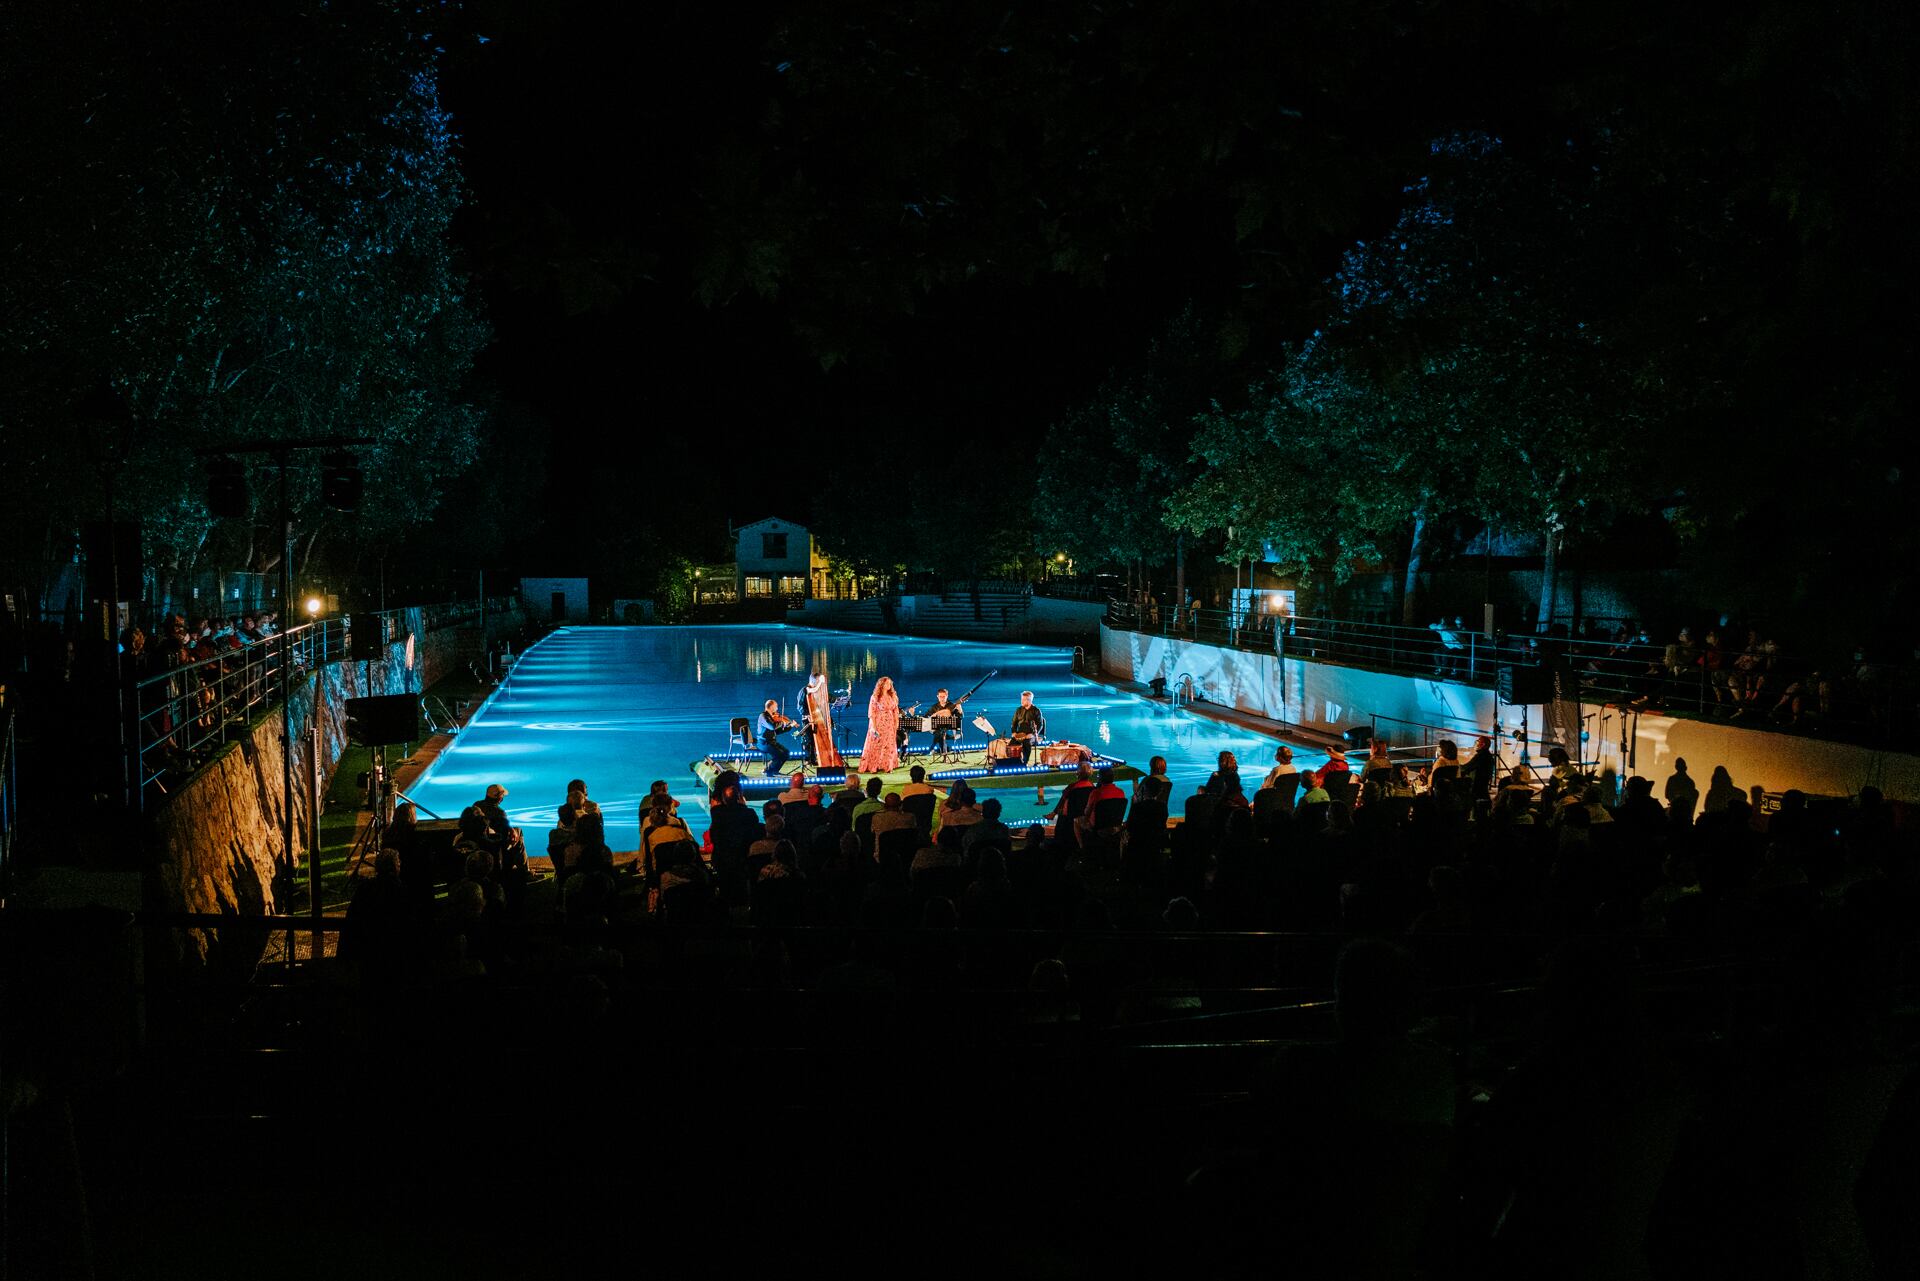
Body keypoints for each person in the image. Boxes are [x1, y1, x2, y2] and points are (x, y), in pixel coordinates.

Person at [860, 676, 900, 774]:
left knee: (889, 744)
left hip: (890, 723)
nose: (889, 685)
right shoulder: (875, 697)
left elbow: (895, 710)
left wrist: (896, 722)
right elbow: (872, 712)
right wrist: (873, 726)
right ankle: (873, 766)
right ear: (881, 685)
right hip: (879, 722)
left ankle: (888, 766)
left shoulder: (893, 696)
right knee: (877, 744)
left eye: (890, 683)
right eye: (887, 683)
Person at [802, 671, 842, 767]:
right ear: (813, 680)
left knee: (815, 740)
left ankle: (816, 759)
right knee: (809, 740)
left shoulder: (819, 691)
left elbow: (829, 698)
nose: (818, 683)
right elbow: (800, 707)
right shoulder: (805, 690)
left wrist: (840, 700)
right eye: (817, 680)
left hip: (817, 718)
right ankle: (808, 760)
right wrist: (820, 682)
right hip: (807, 719)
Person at [1006, 689, 1047, 768]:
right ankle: (1015, 762)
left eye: (1023, 700)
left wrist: (1032, 734)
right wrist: (1014, 732)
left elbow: (1040, 724)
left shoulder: (1036, 711)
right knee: (1012, 744)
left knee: (1026, 743)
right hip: (1020, 733)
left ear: (1029, 700)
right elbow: (1014, 723)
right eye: (1021, 699)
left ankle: (1025, 763)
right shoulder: (1018, 710)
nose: (1021, 701)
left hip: (1032, 734)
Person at [757, 698, 797, 776]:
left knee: (786, 753)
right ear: (771, 707)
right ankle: (768, 771)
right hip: (764, 743)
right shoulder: (763, 716)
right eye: (776, 706)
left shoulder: (771, 717)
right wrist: (782, 722)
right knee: (779, 754)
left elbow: (777, 731)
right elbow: (772, 727)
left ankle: (775, 770)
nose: (777, 708)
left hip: (771, 742)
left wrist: (790, 726)